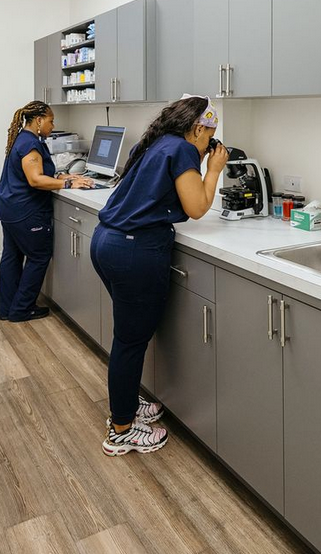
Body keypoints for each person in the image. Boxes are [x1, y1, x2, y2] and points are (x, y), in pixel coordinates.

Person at [90, 94, 228, 456]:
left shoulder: (153, 142)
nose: (209, 144)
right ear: (199, 127)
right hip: (135, 250)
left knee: (128, 335)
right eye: (209, 136)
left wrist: (202, 159)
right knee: (131, 340)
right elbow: (197, 207)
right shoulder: (181, 150)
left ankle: (128, 407)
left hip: (107, 241)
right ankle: (121, 428)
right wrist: (213, 169)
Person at [0, 101, 92, 322]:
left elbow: (36, 173)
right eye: (51, 120)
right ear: (39, 120)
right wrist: (68, 185)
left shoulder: (22, 138)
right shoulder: (30, 143)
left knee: (11, 256)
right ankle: (22, 309)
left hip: (9, 207)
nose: (53, 125)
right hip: (25, 211)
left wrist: (63, 177)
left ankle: (8, 308)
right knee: (39, 257)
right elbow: (35, 179)